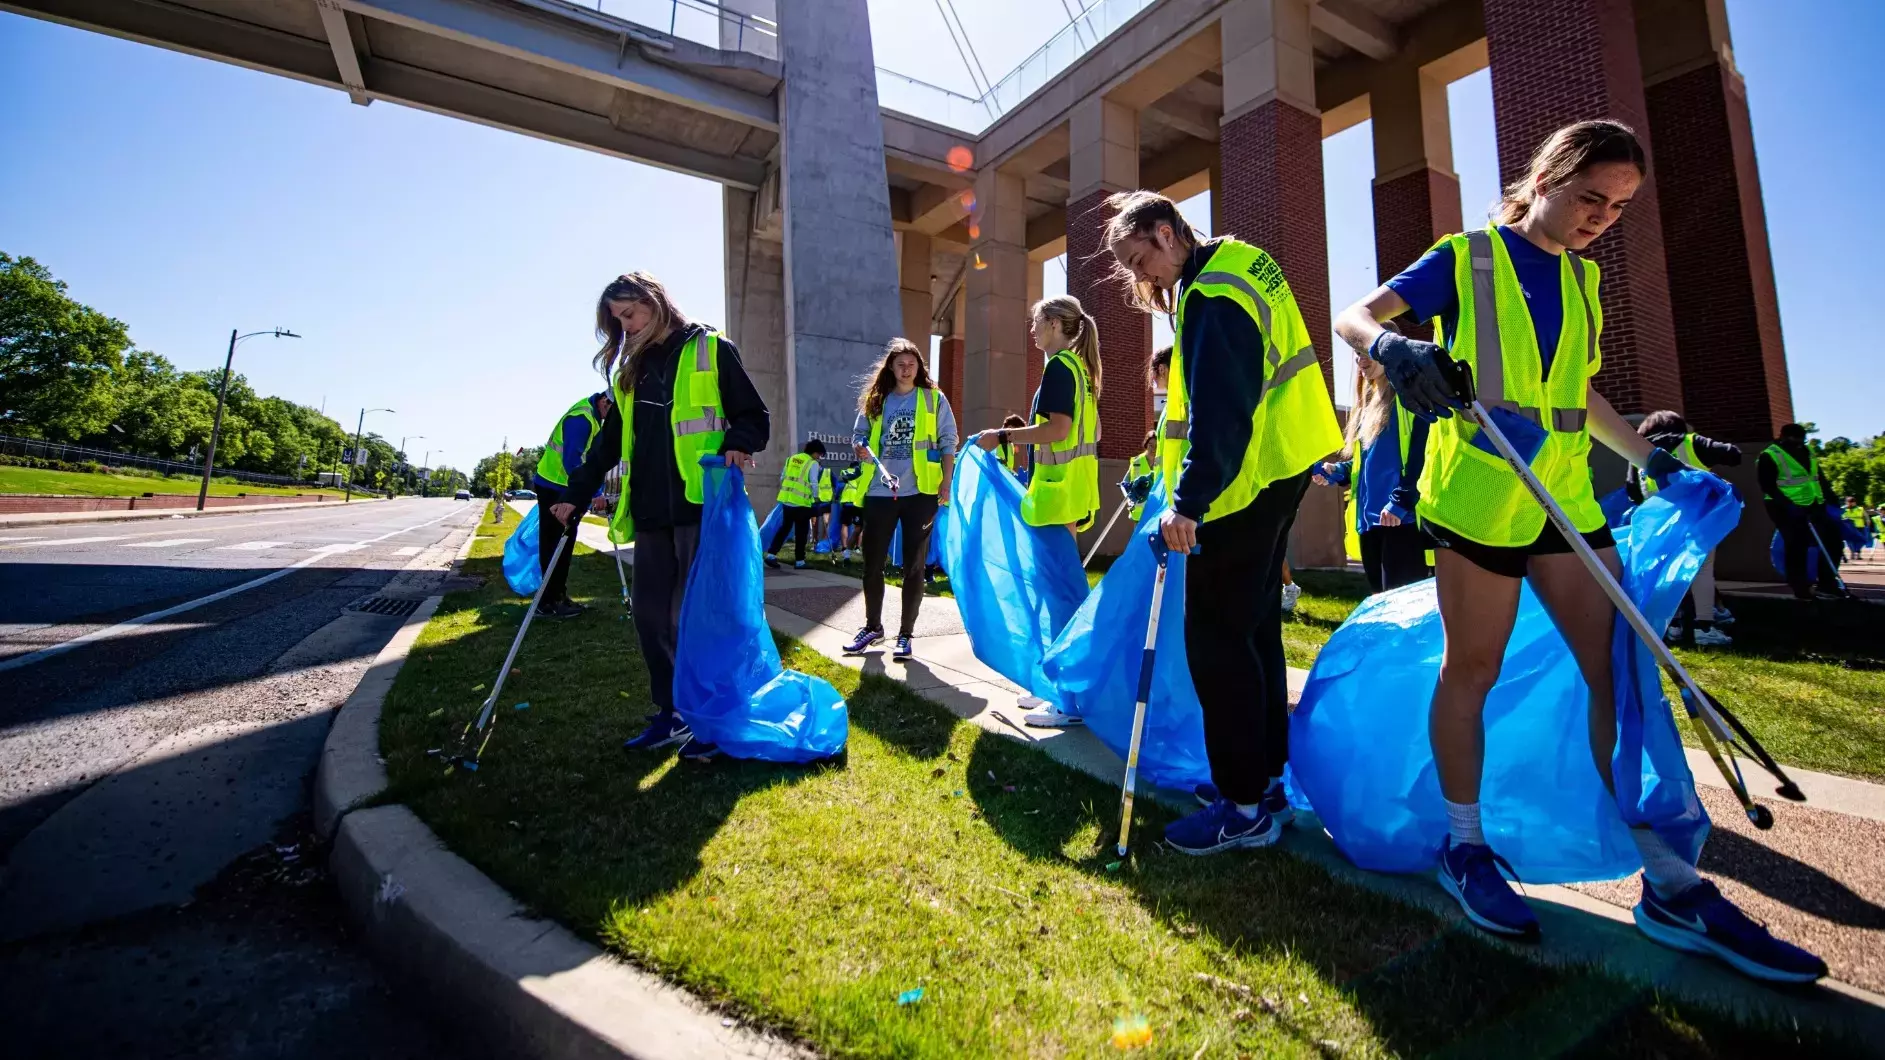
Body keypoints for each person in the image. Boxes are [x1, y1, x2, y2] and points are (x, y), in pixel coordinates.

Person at [1335, 119, 1823, 983]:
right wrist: (1393, 346)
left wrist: (1654, 460)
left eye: (1619, 206)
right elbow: (1353, 316)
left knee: (1618, 669)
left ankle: (1670, 884)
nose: (1602, 216)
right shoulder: (1467, 256)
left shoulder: (1584, 280)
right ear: (1547, 175)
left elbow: (1579, 393)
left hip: (1563, 489)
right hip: (1479, 491)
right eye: (1590, 196)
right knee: (1471, 670)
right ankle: (1465, 848)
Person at [1106, 189, 1343, 855]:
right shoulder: (1242, 261)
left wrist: (1187, 502)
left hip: (1239, 487)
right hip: (1279, 469)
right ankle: (1260, 781)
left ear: (1162, 232)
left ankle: (1243, 808)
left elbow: (1221, 410)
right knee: (1253, 633)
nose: (1138, 276)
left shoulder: (1211, 294)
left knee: (1216, 644)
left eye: (1136, 258)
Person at [550, 272, 770, 761]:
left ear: (654, 300)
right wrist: (576, 492)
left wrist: (738, 444)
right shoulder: (633, 370)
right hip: (650, 512)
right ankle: (670, 713)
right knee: (651, 618)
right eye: (617, 321)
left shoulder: (712, 349)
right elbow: (610, 443)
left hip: (700, 507)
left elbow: (754, 416)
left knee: (703, 618)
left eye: (629, 314)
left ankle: (712, 719)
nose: (625, 327)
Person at [845, 338, 958, 662]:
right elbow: (859, 436)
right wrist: (859, 447)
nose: (906, 369)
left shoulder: (933, 399)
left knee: (914, 567)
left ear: (919, 367)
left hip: (920, 493)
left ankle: (905, 635)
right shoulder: (876, 400)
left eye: (912, 364)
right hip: (880, 492)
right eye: (900, 364)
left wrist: (946, 482)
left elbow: (948, 440)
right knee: (872, 565)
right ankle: (872, 627)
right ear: (891, 368)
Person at [1312, 337, 1432, 594]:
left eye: (1368, 352)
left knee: (1404, 614)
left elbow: (1424, 452)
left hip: (1402, 521)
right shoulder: (1367, 404)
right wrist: (1339, 471)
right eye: (1357, 353)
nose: (1360, 360)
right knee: (1384, 610)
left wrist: (1402, 500)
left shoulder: (1408, 397)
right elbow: (1371, 461)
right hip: (1371, 525)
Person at [977, 295, 1103, 538]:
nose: (1032, 329)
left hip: (1056, 493)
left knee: (1056, 573)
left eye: (1036, 322)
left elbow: (1058, 430)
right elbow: (1095, 432)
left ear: (1054, 323)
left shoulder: (1058, 367)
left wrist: (1001, 436)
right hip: (1075, 490)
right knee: (1063, 571)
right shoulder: (1080, 370)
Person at [1624, 410, 1741, 644]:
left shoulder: (1638, 452)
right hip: (1699, 520)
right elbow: (1733, 455)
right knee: (1702, 568)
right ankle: (1705, 628)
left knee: (1666, 570)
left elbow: (1632, 490)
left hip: (1661, 525)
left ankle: (1672, 625)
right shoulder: (1690, 442)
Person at [532, 391, 611, 618]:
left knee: (563, 545)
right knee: (555, 545)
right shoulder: (582, 418)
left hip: (563, 487)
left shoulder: (593, 417)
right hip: (554, 486)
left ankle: (557, 597)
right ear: (604, 402)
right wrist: (594, 492)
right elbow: (572, 462)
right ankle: (548, 603)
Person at [1758, 423, 1848, 601]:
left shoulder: (1808, 452)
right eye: (1794, 440)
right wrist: (1788, 505)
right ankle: (1800, 587)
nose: (1798, 444)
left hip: (1815, 505)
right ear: (1783, 436)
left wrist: (1831, 498)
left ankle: (1827, 584)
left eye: (1801, 441)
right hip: (1784, 508)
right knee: (1796, 545)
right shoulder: (1770, 455)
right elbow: (1767, 486)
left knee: (1834, 542)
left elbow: (1818, 477)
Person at [765, 439, 825, 570]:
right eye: (819, 455)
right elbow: (814, 482)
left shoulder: (791, 459)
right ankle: (799, 561)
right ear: (815, 452)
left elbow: (782, 477)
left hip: (787, 501)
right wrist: (816, 497)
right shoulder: (812, 463)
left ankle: (771, 555)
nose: (819, 458)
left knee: (784, 529)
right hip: (801, 504)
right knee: (801, 532)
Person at [1125, 429, 1156, 523]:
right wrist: (1130, 499)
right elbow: (1125, 483)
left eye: (1156, 446)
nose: (1153, 449)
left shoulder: (1163, 462)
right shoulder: (1137, 461)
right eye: (1151, 445)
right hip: (1138, 514)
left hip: (1156, 513)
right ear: (1146, 445)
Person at [997, 413, 1030, 484]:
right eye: (1018, 433)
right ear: (1010, 428)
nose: (1018, 438)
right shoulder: (996, 442)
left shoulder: (1011, 445)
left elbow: (1008, 468)